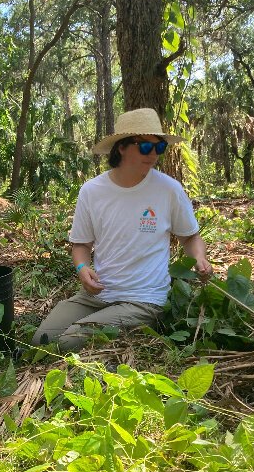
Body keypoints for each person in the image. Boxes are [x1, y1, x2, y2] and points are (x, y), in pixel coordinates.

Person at [31, 108, 213, 351]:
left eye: (159, 147)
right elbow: (81, 245)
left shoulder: (169, 189)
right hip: (99, 295)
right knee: (40, 341)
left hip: (144, 300)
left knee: (68, 343)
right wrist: (82, 268)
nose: (154, 155)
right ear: (121, 147)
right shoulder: (92, 191)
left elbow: (190, 236)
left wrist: (199, 258)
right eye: (145, 147)